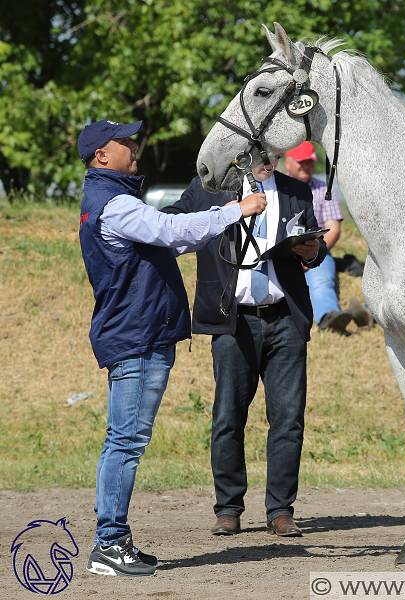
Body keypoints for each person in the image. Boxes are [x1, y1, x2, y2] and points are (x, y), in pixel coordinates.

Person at [78, 119, 267, 577]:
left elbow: (168, 242)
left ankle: (113, 540)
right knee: (125, 441)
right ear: (102, 155)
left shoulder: (108, 201)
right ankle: (109, 543)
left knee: (123, 441)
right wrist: (234, 212)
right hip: (138, 335)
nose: (134, 146)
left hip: (135, 333)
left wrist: (217, 215)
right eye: (124, 142)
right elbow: (167, 230)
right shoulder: (116, 204)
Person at [162, 159, 324, 539]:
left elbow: (314, 251)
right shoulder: (209, 188)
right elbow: (168, 225)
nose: (267, 158)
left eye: (273, 150)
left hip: (286, 317)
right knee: (228, 417)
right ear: (242, 152)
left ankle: (280, 511)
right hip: (232, 320)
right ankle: (229, 508)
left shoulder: (296, 190)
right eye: (259, 151)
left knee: (288, 420)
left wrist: (311, 251)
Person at [284, 141, 373, 330]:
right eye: (302, 161)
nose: (306, 166)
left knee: (321, 279)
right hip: (281, 251)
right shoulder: (276, 187)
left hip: (315, 250)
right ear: (288, 163)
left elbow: (333, 229)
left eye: (310, 161)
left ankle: (329, 317)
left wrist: (312, 253)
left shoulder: (325, 190)